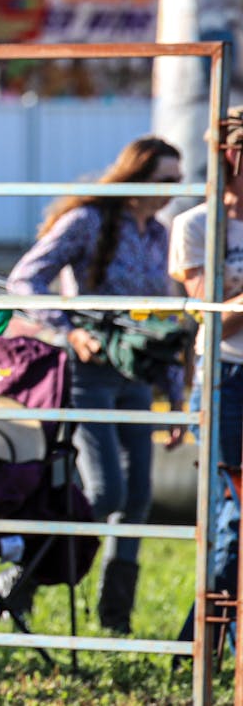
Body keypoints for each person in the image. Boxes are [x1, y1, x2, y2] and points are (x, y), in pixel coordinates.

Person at [6, 135, 182, 635]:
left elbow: (163, 322)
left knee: (139, 497)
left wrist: (175, 395)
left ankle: (116, 615)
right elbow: (25, 279)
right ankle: (24, 575)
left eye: (179, 179)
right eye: (165, 179)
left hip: (139, 376)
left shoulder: (160, 235)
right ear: (135, 177)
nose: (173, 189)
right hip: (89, 374)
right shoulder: (88, 221)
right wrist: (67, 329)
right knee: (105, 492)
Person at [171, 107, 243, 648]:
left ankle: (203, 636)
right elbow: (212, 312)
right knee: (232, 509)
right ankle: (211, 640)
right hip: (225, 370)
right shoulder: (196, 224)